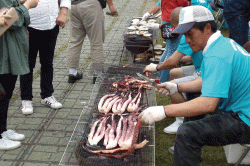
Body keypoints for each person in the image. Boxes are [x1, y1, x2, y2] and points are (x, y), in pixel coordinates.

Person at [139, 6, 250, 165]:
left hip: (245, 118)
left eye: (190, 34)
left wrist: (164, 110)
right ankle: (186, 148)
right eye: (184, 35)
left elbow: (208, 104)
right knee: (194, 97)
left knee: (187, 133)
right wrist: (177, 87)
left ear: (207, 28)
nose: (187, 40)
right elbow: (206, 81)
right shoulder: (221, 44)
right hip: (242, 108)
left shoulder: (217, 55)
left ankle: (185, 144)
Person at [145, 0, 213, 134]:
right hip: (200, 66)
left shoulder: (188, 35)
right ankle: (185, 104)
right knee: (174, 73)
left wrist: (156, 68)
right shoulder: (196, 32)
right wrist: (180, 59)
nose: (176, 31)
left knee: (173, 85)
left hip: (203, 72)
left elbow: (172, 61)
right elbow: (190, 56)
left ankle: (181, 120)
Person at [19, 0, 71, 115]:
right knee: (27, 64)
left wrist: (63, 12)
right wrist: (21, 25)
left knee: (47, 63)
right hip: (29, 26)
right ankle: (26, 99)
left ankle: (47, 95)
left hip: (51, 24)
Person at [0, 0, 39, 150]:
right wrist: (27, 6)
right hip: (4, 51)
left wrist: (20, 4)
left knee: (7, 94)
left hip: (11, 51)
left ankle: (3, 130)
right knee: (2, 94)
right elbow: (10, 21)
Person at [67, 0, 117, 84]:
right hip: (90, 5)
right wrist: (111, 5)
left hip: (73, 6)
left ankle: (72, 73)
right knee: (96, 41)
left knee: (75, 41)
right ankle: (98, 74)